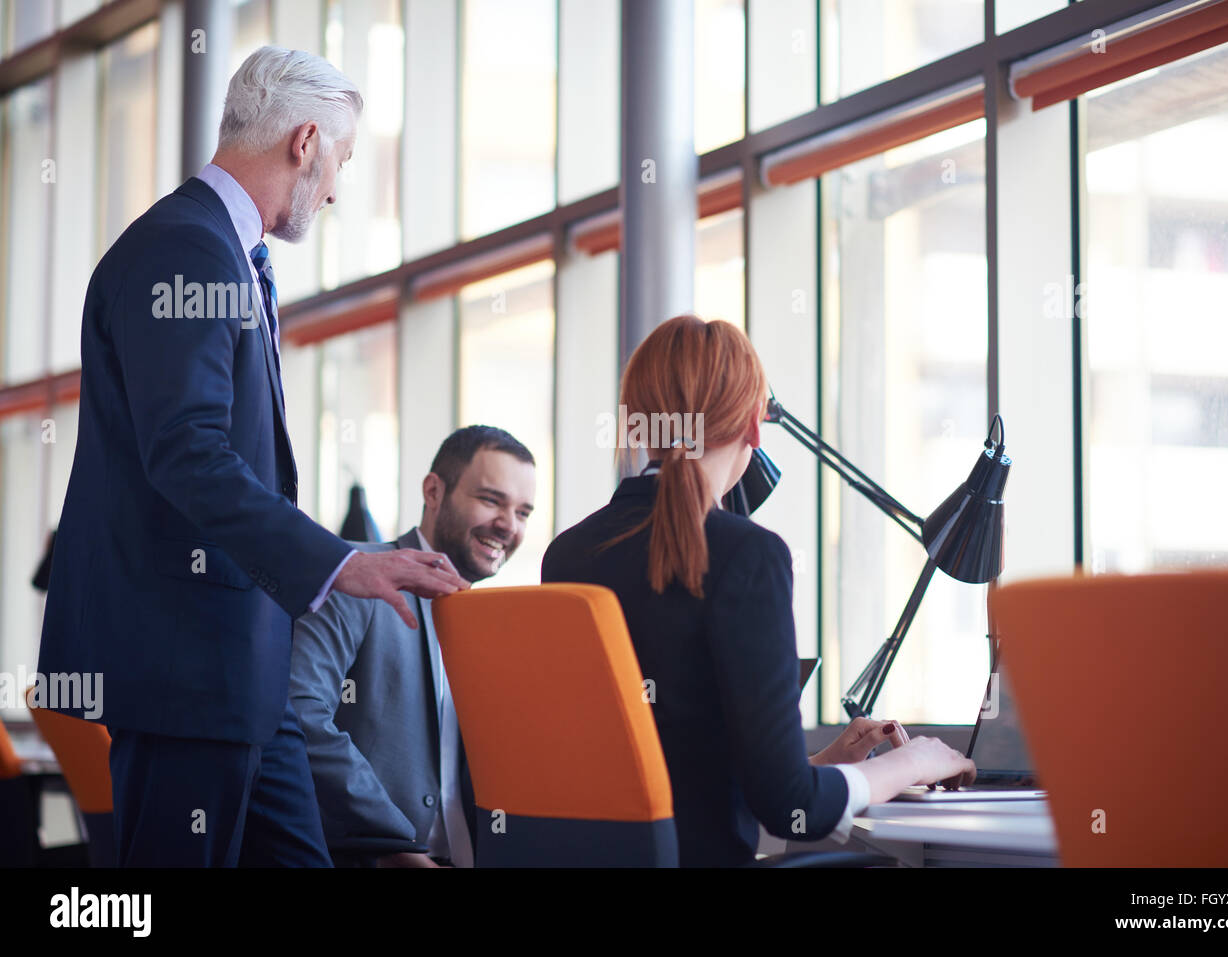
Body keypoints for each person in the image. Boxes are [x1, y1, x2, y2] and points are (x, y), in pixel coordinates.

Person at [36, 47, 468, 868]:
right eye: (340, 159)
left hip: (242, 668)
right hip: (188, 666)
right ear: (306, 142)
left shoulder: (222, 254)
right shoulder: (187, 250)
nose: (337, 187)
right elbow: (187, 453)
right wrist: (341, 563)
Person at [542, 314, 975, 867]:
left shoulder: (568, 554)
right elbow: (791, 809)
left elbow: (665, 762)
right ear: (753, 427)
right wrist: (912, 764)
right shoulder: (747, 554)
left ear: (636, 425)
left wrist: (810, 763)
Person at [290, 427, 536, 868]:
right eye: (491, 500)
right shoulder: (357, 577)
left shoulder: (499, 622)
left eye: (523, 512)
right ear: (434, 491)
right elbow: (300, 711)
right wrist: (393, 844)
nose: (508, 525)